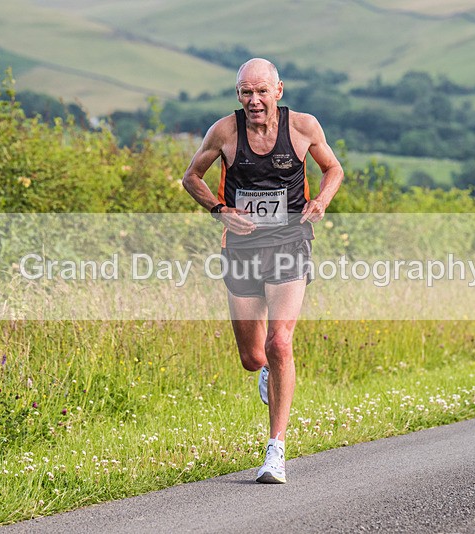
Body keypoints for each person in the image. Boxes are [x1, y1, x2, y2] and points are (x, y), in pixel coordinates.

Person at [182, 58, 343, 483]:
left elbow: (334, 169)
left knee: (280, 340)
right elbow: (191, 177)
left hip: (291, 243)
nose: (254, 100)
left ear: (279, 91)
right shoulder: (224, 132)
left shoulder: (304, 128)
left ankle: (276, 450)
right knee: (253, 358)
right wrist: (220, 211)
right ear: (238, 95)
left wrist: (321, 201)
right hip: (242, 248)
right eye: (245, 93)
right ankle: (268, 370)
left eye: (261, 91)